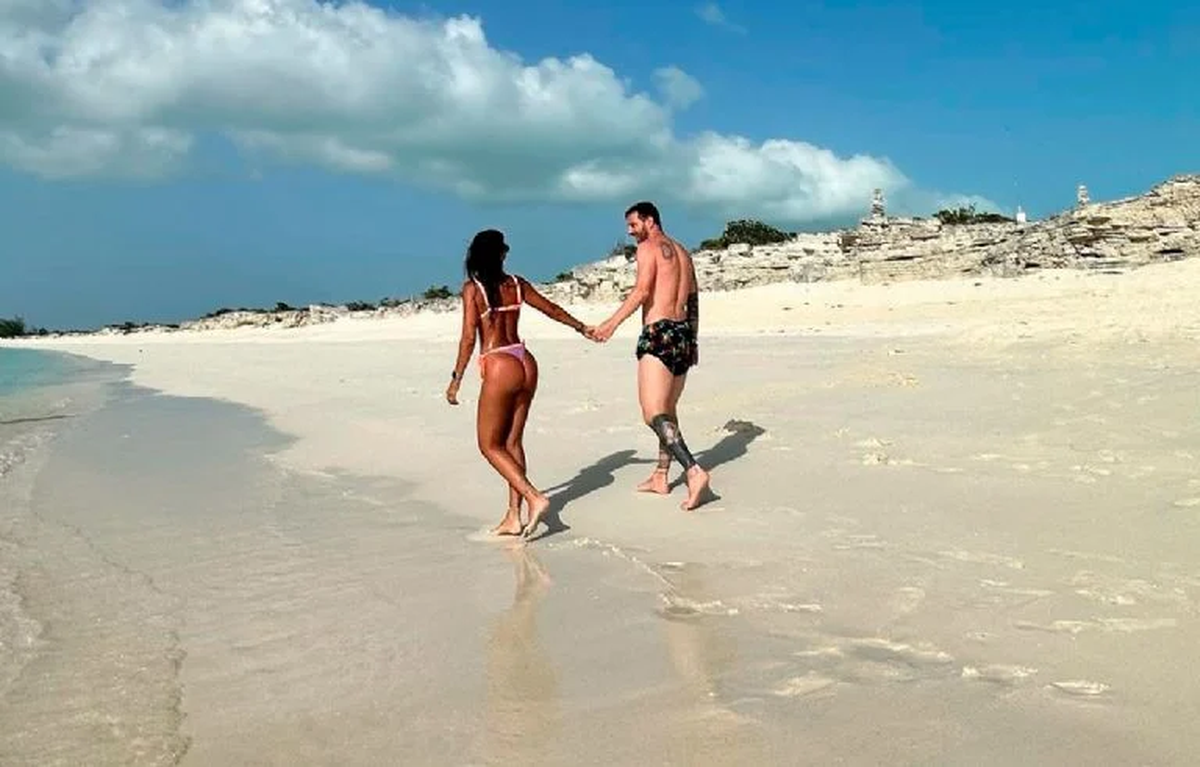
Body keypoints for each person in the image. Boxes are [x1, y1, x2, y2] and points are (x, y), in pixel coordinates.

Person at [446, 228, 596, 539]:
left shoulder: (473, 289)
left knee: (489, 445)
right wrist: (581, 327)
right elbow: (551, 309)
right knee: (513, 442)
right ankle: (513, 516)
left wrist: (455, 380)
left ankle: (533, 497)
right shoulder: (516, 284)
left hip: (499, 361)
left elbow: (467, 339)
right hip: (525, 359)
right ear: (500, 254)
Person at [590, 202, 711, 511]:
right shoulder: (683, 251)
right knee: (668, 410)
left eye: (633, 225)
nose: (630, 232)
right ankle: (660, 475)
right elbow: (693, 298)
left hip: (658, 332)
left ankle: (694, 471)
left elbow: (643, 291)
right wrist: (693, 340)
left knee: (652, 412)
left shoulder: (649, 247)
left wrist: (610, 324)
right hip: (683, 332)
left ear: (649, 220)